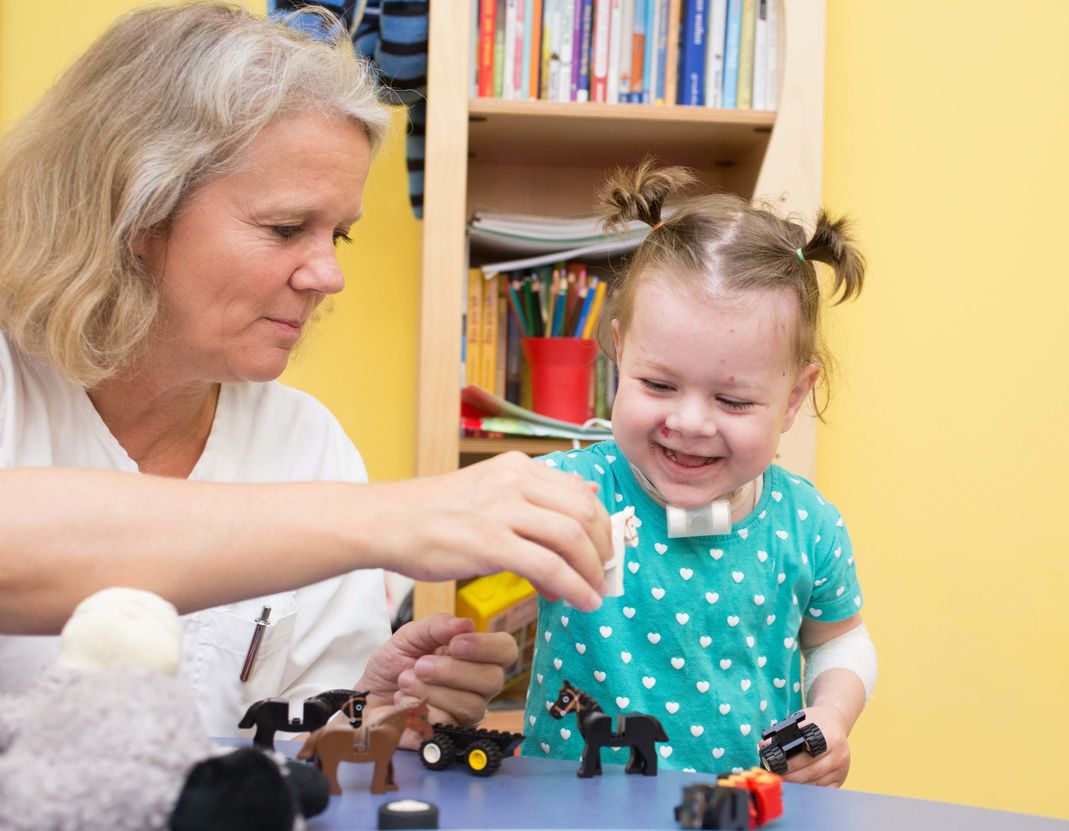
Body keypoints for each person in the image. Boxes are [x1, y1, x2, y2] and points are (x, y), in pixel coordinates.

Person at [0, 3, 611, 738]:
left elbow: (309, 734)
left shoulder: (307, 443)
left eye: (338, 234)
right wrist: (395, 516)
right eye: (286, 228)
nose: (327, 274)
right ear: (138, 208)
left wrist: (373, 703)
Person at [520, 161, 877, 786]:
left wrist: (831, 715)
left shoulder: (808, 524)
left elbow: (840, 641)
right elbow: (460, 560)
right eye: (657, 384)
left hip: (742, 806)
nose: (688, 422)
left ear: (794, 397)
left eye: (733, 401)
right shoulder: (566, 490)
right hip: (570, 810)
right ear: (619, 352)